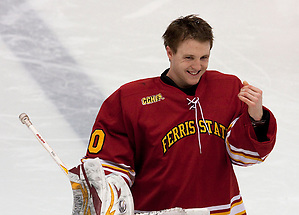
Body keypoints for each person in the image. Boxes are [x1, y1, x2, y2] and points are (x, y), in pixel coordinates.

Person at [70, 15, 277, 215]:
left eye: (204, 57)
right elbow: (110, 167)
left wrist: (256, 117)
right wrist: (106, 191)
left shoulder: (228, 88)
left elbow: (246, 156)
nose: (197, 66)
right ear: (169, 52)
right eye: (189, 58)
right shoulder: (130, 100)